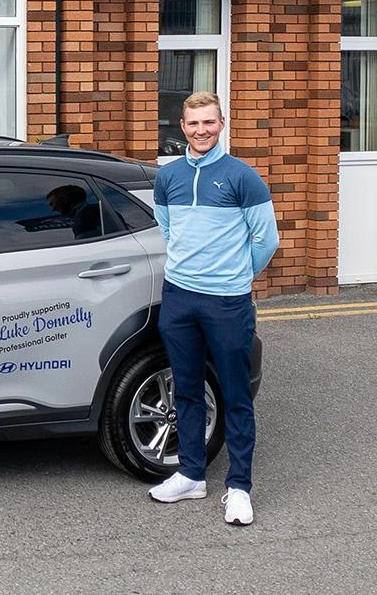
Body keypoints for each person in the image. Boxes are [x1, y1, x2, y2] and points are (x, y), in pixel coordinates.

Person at [147, 92, 279, 526]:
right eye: (193, 123)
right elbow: (169, 230)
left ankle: (239, 488)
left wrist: (237, 276)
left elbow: (267, 241)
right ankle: (190, 473)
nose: (201, 130)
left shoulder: (243, 177)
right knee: (186, 388)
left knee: (235, 395)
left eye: (209, 122)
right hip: (180, 297)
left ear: (221, 123)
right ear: (181, 127)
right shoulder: (169, 177)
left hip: (228, 300)